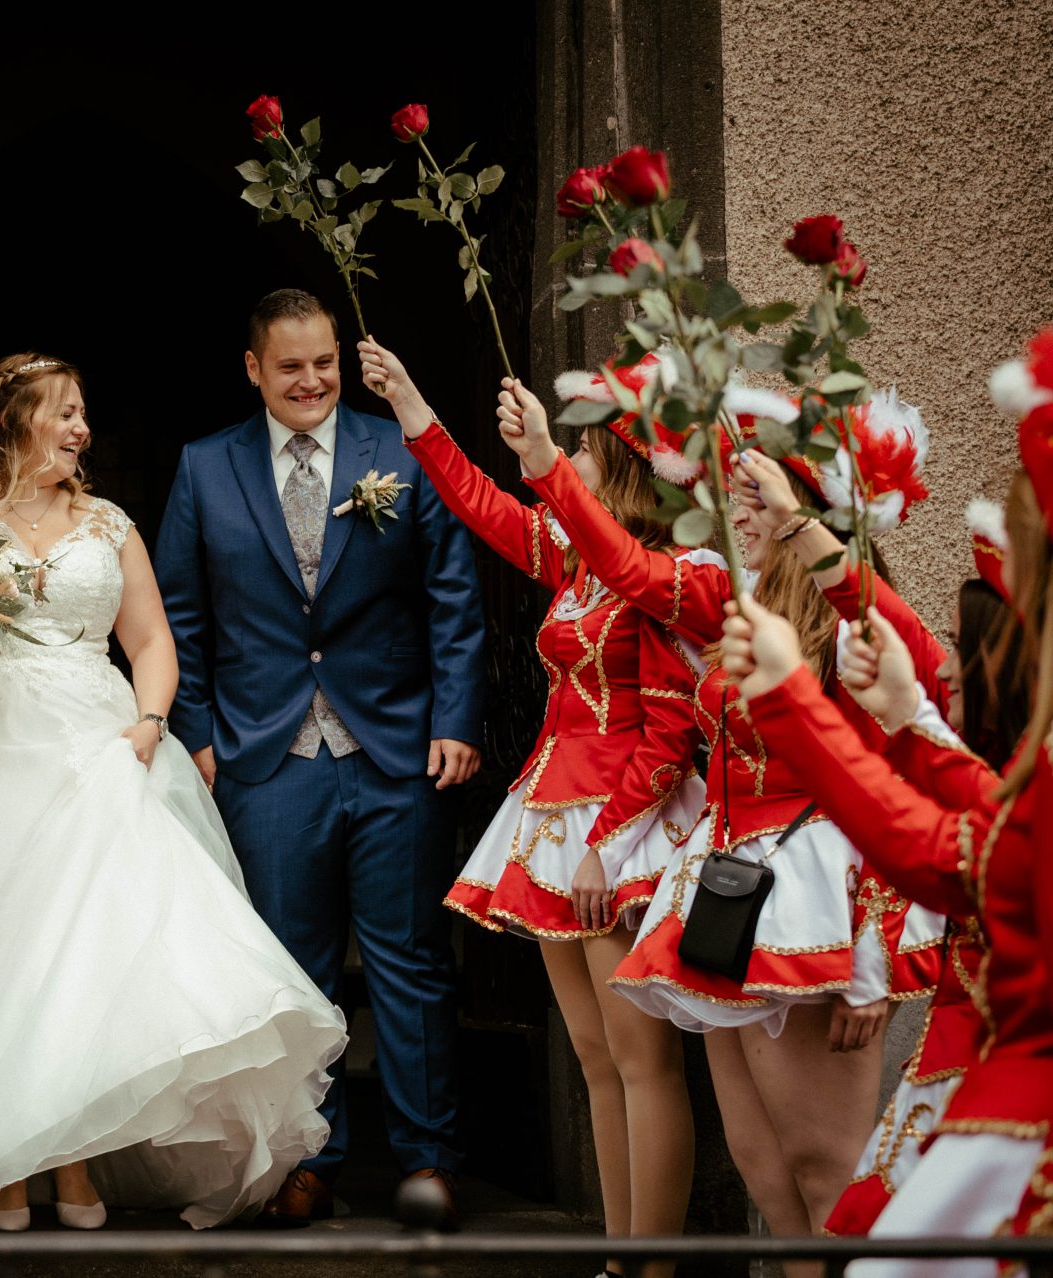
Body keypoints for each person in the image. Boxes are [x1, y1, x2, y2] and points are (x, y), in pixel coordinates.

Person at [0, 352, 348, 1236]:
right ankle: (0, 1168)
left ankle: (75, 1157)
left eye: (83, 414)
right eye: (64, 412)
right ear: (14, 420)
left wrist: (151, 719)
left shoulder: (108, 522)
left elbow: (152, 641)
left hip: (96, 749)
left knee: (90, 957)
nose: (81, 429)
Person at [494, 374, 930, 1271]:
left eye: (756, 493)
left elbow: (910, 776)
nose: (735, 507)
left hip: (818, 900)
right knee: (765, 1170)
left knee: (824, 1171)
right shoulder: (729, 600)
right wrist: (543, 463)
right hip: (727, 891)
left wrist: (875, 960)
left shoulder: (860, 622)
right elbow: (628, 568)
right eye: (736, 492)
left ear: (809, 510)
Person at [359, 343, 702, 1272]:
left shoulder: (660, 573)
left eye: (582, 448)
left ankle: (653, 1265)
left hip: (624, 828)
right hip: (554, 817)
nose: (568, 458)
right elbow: (481, 503)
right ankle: (619, 1256)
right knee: (595, 1056)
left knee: (643, 1060)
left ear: (619, 465)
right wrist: (413, 402)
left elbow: (671, 733)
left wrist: (609, 845)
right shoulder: (576, 560)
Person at [155, 291, 486, 1226]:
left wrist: (456, 718)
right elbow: (179, 612)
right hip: (264, 756)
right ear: (253, 369)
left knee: (409, 960)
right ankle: (310, 1159)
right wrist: (199, 734)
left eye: (325, 363)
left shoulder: (401, 450)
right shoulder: (205, 465)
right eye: (291, 366)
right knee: (290, 970)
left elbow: (452, 595)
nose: (311, 382)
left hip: (394, 748)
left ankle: (428, 1160)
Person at [720, 445, 1051, 1274]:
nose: (948, 665)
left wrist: (801, 705)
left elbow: (941, 853)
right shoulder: (1027, 775)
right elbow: (974, 834)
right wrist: (909, 717)